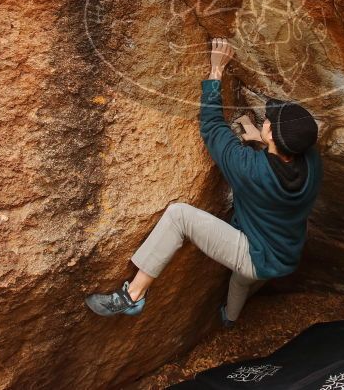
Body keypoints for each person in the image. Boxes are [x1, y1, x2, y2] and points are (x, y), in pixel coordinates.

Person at [85, 38, 323, 325]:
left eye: (268, 122)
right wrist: (254, 133)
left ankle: (133, 296)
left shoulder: (250, 169)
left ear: (271, 135)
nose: (266, 120)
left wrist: (216, 71)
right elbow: (285, 151)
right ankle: (230, 321)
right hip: (286, 253)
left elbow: (211, 126)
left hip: (254, 254)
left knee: (179, 217)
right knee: (242, 282)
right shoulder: (312, 163)